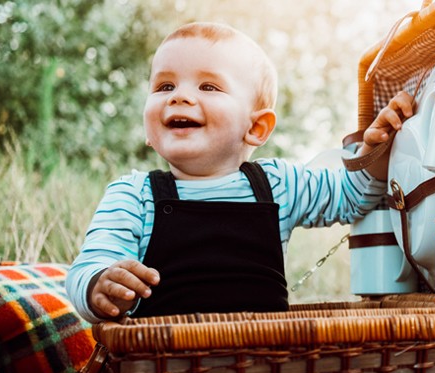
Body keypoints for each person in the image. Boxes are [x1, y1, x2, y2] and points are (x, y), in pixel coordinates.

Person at [66, 22, 414, 323]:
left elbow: (350, 196)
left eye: (209, 87)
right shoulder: (133, 196)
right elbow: (85, 271)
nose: (179, 97)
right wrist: (100, 286)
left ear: (257, 128)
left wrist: (375, 149)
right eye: (164, 86)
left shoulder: (278, 185)